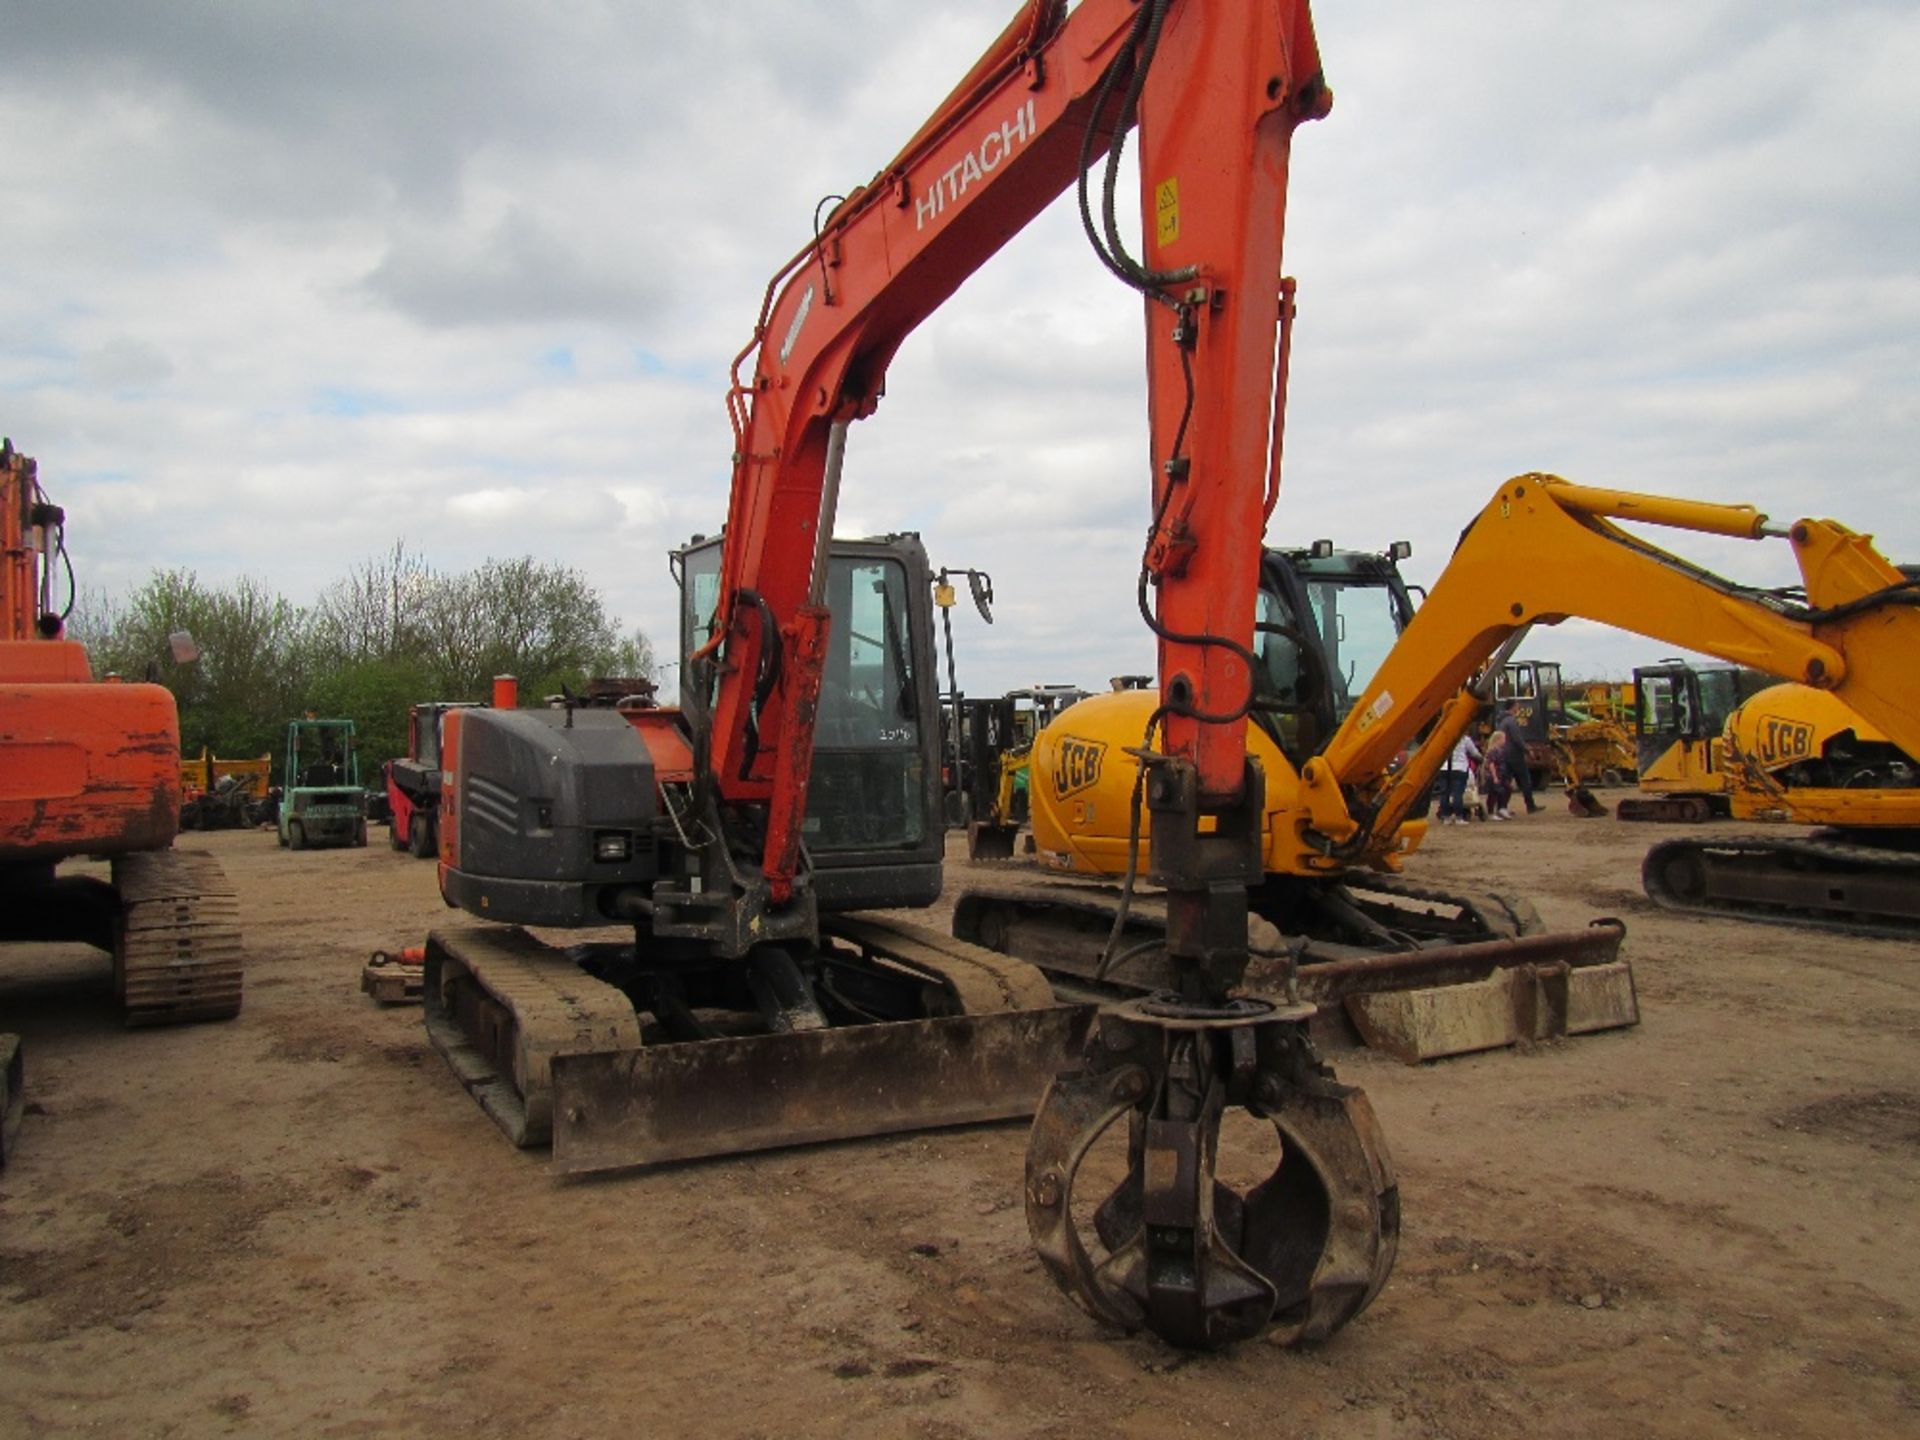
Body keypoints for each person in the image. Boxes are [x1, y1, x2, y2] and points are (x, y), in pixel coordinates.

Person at [1496, 709, 1542, 813]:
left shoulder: (1500, 721)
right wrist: (1527, 749)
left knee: (1505, 781)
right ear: (1513, 707)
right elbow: (1517, 738)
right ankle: (1530, 805)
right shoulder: (1511, 721)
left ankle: (1502, 807)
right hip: (1515, 754)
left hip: (1504, 753)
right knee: (1525, 779)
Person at [1437, 730, 1481, 825]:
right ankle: (1458, 817)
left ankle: (1446, 816)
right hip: (1459, 768)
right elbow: (1474, 753)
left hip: (1444, 768)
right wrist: (1481, 758)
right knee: (1458, 794)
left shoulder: (1442, 738)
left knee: (1444, 793)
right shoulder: (1465, 739)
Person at [1483, 730, 1515, 820]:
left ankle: (1502, 807)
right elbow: (1491, 764)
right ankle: (1490, 812)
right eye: (1503, 738)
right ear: (1498, 740)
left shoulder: (1501, 750)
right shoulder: (1493, 751)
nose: (1505, 740)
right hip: (1493, 775)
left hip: (1501, 775)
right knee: (1493, 793)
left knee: (1507, 789)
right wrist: (1494, 777)